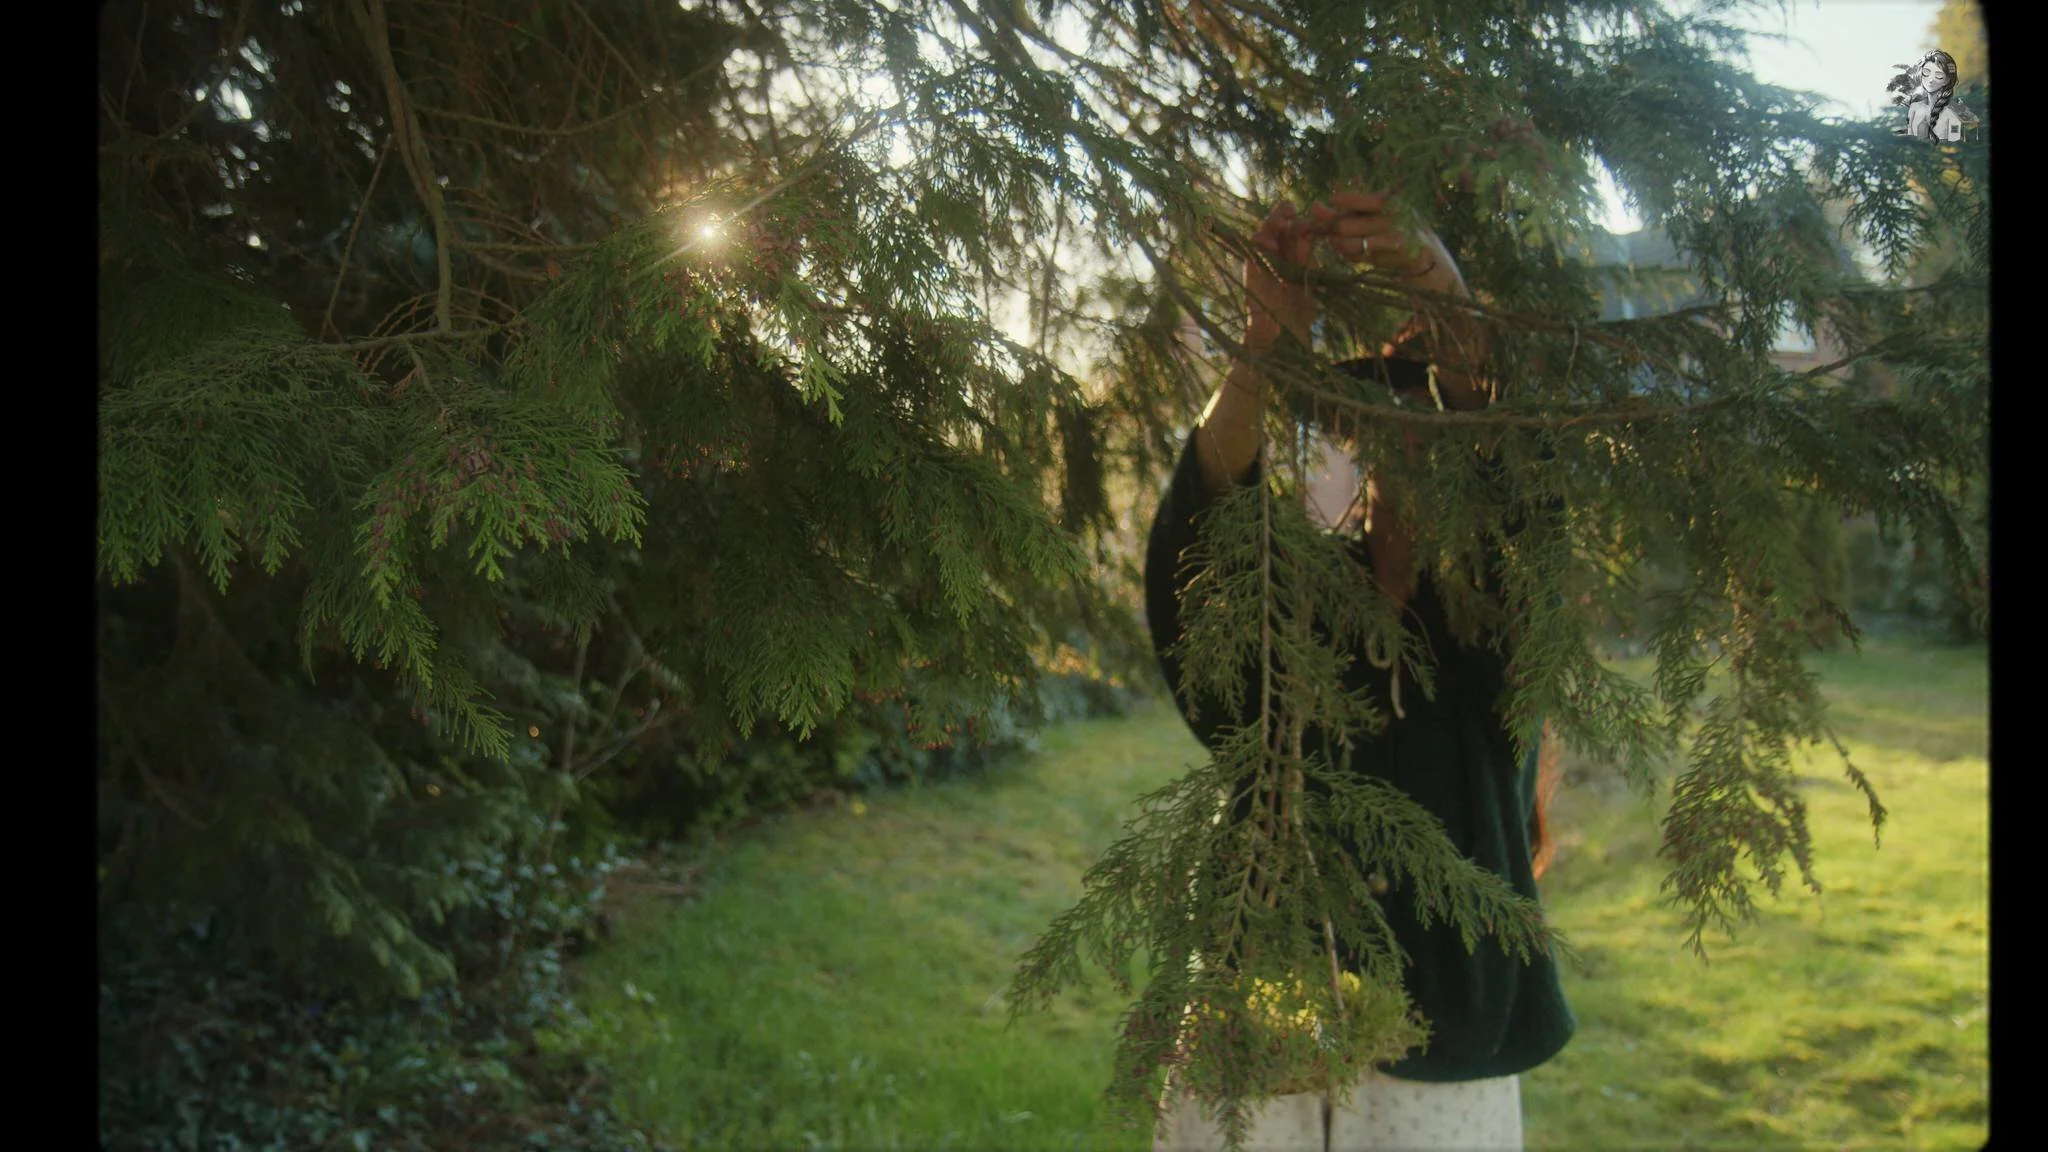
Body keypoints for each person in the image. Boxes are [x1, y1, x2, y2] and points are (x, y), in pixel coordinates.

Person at [1145, 192, 1573, 1151]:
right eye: (1383, 419)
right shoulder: (1298, 600)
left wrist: (1455, 314)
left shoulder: (1493, 622)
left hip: (1447, 1042)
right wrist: (1262, 347)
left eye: (1436, 416)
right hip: (1263, 1017)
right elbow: (1195, 566)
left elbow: (1527, 526)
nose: (1406, 439)